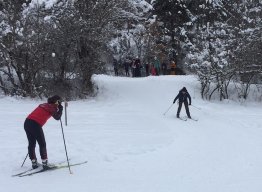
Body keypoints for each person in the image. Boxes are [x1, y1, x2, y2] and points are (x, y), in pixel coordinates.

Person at [24, 95, 63, 169]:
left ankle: (34, 163)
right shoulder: (51, 107)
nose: (59, 103)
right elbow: (57, 117)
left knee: (32, 143)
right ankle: (45, 164)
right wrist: (61, 109)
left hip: (27, 122)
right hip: (35, 124)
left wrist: (58, 108)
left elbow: (53, 112)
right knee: (42, 143)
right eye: (59, 101)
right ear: (56, 102)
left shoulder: (44, 104)